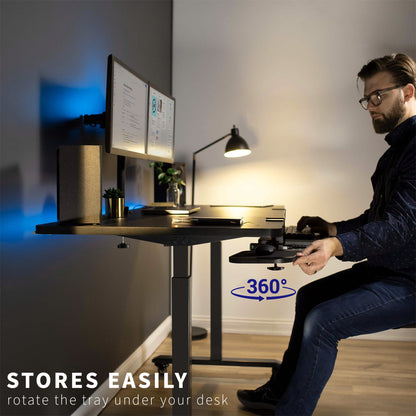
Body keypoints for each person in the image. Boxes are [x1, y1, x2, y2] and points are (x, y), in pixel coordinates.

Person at [237, 53, 416, 415]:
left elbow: (402, 226)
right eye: (366, 99)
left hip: (409, 280)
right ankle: (279, 394)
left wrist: (336, 245)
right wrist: (333, 229)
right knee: (309, 297)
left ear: (408, 91)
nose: (370, 106)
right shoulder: (394, 154)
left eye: (377, 96)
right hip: (387, 270)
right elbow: (377, 217)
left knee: (323, 322)